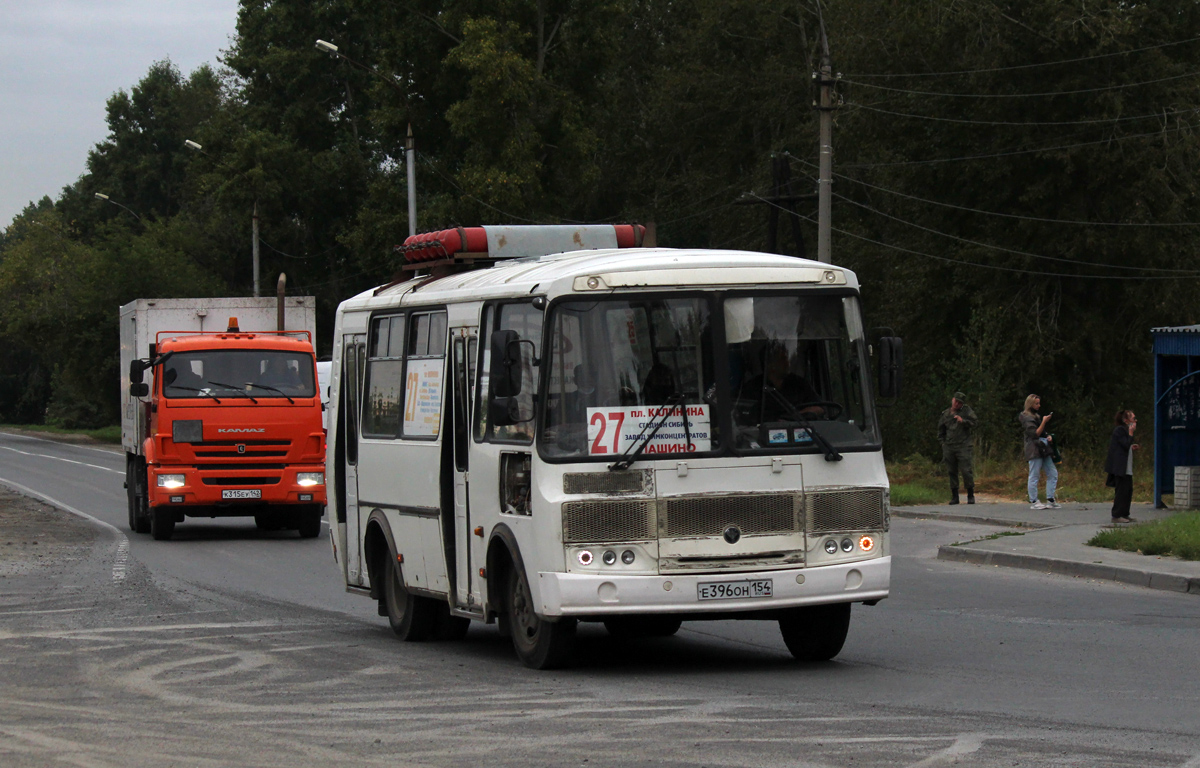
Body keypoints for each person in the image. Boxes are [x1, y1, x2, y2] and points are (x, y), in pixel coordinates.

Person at [741, 343, 823, 422]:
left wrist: (794, 417)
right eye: (783, 359)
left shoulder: (799, 384)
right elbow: (742, 417)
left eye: (787, 358)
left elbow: (819, 407)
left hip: (800, 432)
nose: (788, 363)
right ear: (770, 364)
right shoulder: (752, 388)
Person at [1019, 394, 1059, 509]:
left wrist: (1048, 436)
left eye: (1039, 403)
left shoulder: (1036, 416)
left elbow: (1041, 432)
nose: (1039, 405)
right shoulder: (1026, 417)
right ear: (1030, 404)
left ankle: (1050, 499)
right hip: (1034, 448)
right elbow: (1034, 433)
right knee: (1034, 474)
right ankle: (1034, 501)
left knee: (1052, 472)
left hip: (1043, 447)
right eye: (1036, 403)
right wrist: (1044, 422)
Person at [937, 391, 978, 505]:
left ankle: (970, 494)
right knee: (951, 471)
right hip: (949, 446)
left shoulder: (966, 411)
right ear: (952, 400)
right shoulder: (945, 414)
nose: (957, 404)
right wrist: (943, 443)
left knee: (966, 470)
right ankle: (955, 496)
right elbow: (941, 430)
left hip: (963, 445)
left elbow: (975, 423)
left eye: (960, 403)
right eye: (956, 402)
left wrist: (963, 421)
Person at [1104, 409, 1139, 524]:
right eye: (1133, 418)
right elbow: (1124, 444)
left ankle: (1125, 513)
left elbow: (1126, 445)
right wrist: (1131, 433)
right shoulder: (1120, 430)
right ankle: (1116, 514)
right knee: (1121, 491)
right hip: (1120, 467)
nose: (1135, 420)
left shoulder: (1124, 431)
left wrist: (1131, 446)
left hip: (1126, 467)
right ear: (1126, 420)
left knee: (1128, 490)